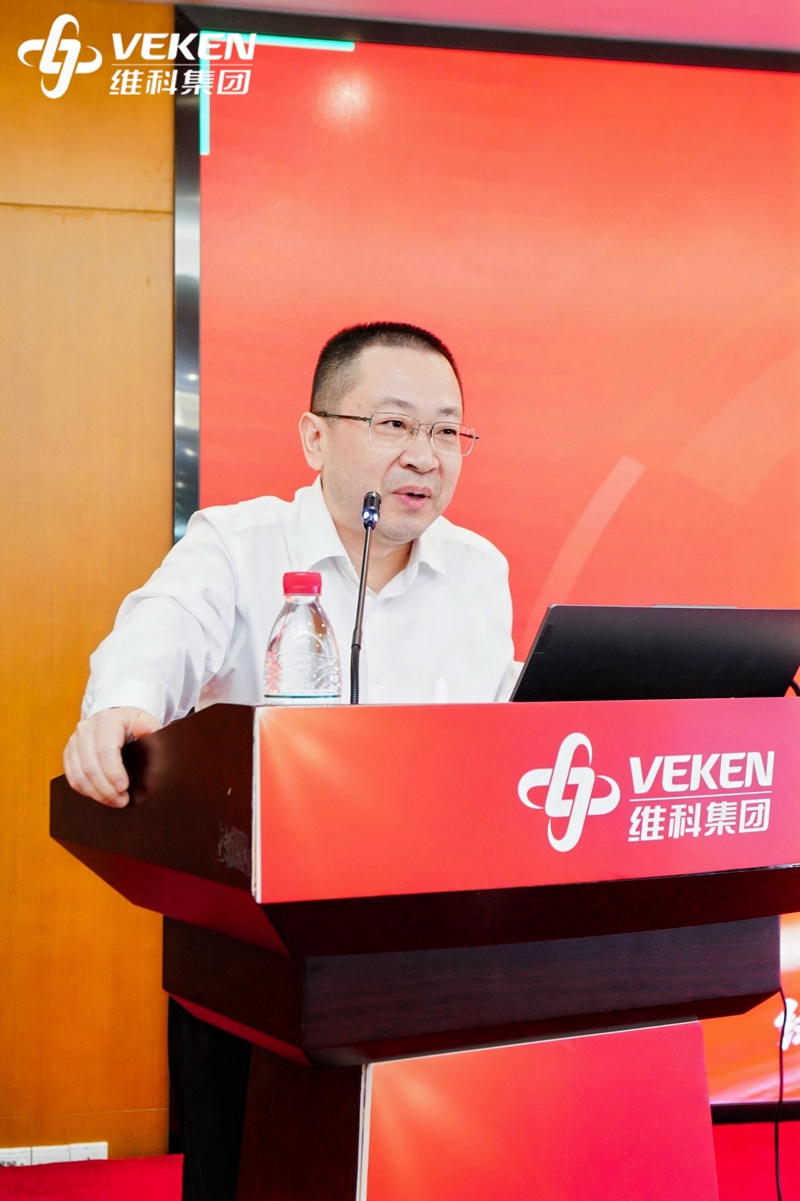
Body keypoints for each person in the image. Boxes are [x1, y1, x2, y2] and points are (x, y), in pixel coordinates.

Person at [63, 321, 518, 1199]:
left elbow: (493, 725)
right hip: (258, 952)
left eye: (446, 430)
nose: (425, 455)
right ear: (315, 435)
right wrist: (122, 703)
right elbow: (162, 628)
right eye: (394, 423)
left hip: (428, 951)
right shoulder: (238, 543)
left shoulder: (478, 571)